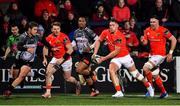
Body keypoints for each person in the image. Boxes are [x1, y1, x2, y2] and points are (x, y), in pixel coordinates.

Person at [92, 18, 154, 97]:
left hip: (125, 57)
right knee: (111, 70)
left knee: (135, 74)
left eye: (113, 25)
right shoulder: (105, 32)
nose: (111, 27)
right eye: (110, 25)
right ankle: (119, 91)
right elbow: (98, 41)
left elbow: (116, 51)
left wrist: (103, 58)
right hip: (116, 58)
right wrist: (95, 53)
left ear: (117, 26)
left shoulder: (119, 36)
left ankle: (149, 86)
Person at [141, 15, 177, 98]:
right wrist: (142, 41)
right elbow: (145, 42)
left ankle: (151, 89)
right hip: (152, 55)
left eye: (154, 22)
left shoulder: (163, 30)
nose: (152, 23)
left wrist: (170, 53)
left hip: (160, 55)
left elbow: (174, 39)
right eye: (151, 22)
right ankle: (164, 93)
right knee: (155, 74)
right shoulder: (147, 30)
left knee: (146, 68)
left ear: (158, 22)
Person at [42, 22, 81, 98]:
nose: (56, 31)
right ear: (51, 29)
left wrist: (62, 59)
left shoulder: (64, 37)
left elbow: (70, 50)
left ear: (60, 29)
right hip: (56, 58)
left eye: (58, 29)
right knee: (48, 73)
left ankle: (77, 83)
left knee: (67, 78)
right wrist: (44, 58)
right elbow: (45, 47)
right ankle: (48, 93)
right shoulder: (49, 38)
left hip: (66, 59)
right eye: (54, 29)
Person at [3, 21, 39, 97]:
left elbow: (22, 46)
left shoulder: (23, 36)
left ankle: (9, 90)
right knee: (14, 75)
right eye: (12, 30)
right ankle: (34, 74)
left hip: (25, 59)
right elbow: (10, 47)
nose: (14, 31)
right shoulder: (10, 38)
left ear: (18, 30)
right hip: (17, 58)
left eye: (15, 29)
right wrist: (5, 55)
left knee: (21, 75)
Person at [71, 16, 99, 96]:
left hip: (88, 54)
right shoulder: (76, 32)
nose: (81, 22)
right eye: (79, 21)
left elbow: (98, 39)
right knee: (85, 75)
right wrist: (73, 46)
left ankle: (92, 73)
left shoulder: (88, 31)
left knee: (78, 70)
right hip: (81, 55)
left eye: (83, 21)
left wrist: (90, 47)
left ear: (85, 22)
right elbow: (74, 41)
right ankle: (94, 90)